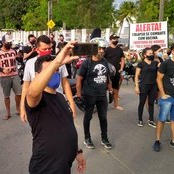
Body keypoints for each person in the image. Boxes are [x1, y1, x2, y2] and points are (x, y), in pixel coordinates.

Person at [25, 41, 86, 174]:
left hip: (64, 165)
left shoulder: (60, 97)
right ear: (37, 75)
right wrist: (56, 63)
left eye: (56, 70)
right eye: (49, 71)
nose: (54, 73)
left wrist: (77, 151)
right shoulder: (36, 99)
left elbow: (66, 127)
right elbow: (32, 91)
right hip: (46, 167)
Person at [20, 35, 77, 123]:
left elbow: (65, 83)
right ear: (37, 49)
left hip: (59, 102)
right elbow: (26, 87)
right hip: (40, 106)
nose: (47, 51)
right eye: (44, 49)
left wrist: (72, 104)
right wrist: (22, 107)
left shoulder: (58, 60)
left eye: (49, 48)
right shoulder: (30, 63)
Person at [76, 38, 113, 149]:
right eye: (99, 48)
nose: (101, 51)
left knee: (103, 117)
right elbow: (79, 80)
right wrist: (78, 96)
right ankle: (87, 138)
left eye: (103, 48)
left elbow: (107, 77)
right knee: (88, 117)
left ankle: (104, 138)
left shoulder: (105, 61)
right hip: (89, 95)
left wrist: (110, 90)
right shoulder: (86, 63)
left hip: (102, 95)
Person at [0, 34, 22, 120]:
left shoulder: (13, 51)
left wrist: (19, 57)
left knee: (19, 94)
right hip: (4, 77)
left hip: (15, 75)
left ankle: (18, 108)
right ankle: (8, 112)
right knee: (6, 96)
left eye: (10, 42)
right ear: (3, 42)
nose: (9, 43)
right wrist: (2, 69)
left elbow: (19, 60)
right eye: (7, 42)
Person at [134, 48, 159, 128]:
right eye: (149, 53)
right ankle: (140, 119)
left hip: (153, 86)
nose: (151, 54)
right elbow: (136, 76)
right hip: (144, 85)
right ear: (145, 55)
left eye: (152, 53)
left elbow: (162, 69)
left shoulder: (155, 63)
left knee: (151, 103)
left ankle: (151, 120)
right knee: (142, 103)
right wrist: (137, 87)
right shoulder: (141, 64)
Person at [104, 34, 125, 110]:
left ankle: (116, 105)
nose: (116, 40)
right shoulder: (106, 49)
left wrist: (121, 68)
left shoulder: (119, 50)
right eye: (114, 39)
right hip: (108, 72)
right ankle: (103, 104)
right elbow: (102, 60)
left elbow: (122, 59)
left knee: (116, 88)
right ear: (110, 40)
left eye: (117, 39)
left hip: (117, 71)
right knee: (105, 88)